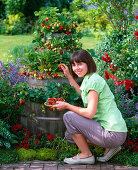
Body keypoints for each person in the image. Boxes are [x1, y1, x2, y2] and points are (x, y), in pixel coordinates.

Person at [52, 49, 127, 165]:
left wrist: (67, 105)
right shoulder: (89, 78)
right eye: (74, 65)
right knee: (70, 136)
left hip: (112, 133)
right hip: (115, 133)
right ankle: (112, 147)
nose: (76, 68)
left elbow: (89, 113)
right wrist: (69, 76)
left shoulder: (94, 81)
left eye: (80, 64)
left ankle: (86, 155)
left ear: (89, 63)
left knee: (69, 117)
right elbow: (83, 95)